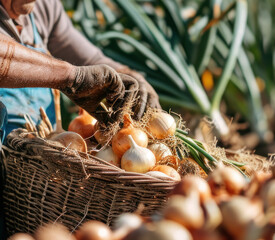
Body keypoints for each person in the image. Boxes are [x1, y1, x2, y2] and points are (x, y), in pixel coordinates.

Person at [0, 0, 161, 238]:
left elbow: (91, 58)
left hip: (44, 165)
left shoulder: (43, 7)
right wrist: (71, 76)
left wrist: (132, 78)